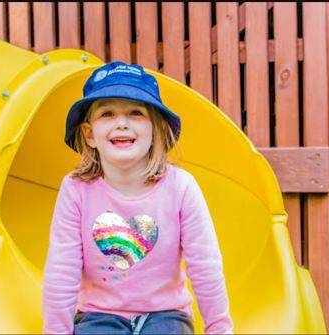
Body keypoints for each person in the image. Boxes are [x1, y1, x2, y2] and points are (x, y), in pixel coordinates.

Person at [42, 61, 233, 334]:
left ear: (155, 130)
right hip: (98, 315)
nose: (121, 123)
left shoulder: (180, 187)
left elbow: (205, 266)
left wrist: (219, 329)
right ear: (89, 134)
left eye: (135, 113)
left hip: (166, 315)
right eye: (107, 114)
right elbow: (62, 271)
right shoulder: (76, 190)